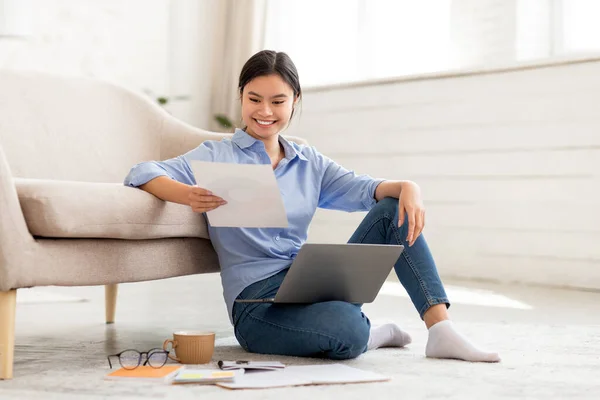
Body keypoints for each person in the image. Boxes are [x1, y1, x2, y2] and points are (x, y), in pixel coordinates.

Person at [124, 50, 500, 363]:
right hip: (257, 305)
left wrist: (409, 187)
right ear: (241, 97)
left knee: (392, 208)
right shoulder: (215, 155)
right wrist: (185, 193)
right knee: (349, 331)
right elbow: (141, 171)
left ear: (295, 101)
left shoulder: (309, 162)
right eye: (254, 99)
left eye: (277, 101)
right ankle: (369, 331)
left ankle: (441, 330)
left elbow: (368, 188)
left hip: (308, 282)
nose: (264, 111)